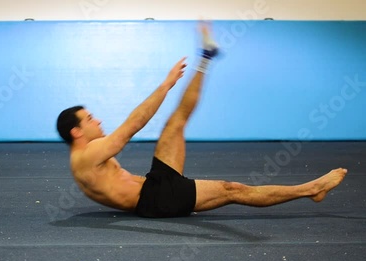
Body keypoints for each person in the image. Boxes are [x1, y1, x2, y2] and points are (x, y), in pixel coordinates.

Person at [56, 22, 347, 218]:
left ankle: (205, 57)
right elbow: (132, 126)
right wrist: (165, 85)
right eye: (90, 119)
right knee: (233, 190)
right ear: (77, 132)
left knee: (177, 120)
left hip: (153, 185)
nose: (97, 120)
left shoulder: (88, 153)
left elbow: (129, 127)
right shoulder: (86, 156)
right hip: (157, 202)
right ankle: (312, 189)